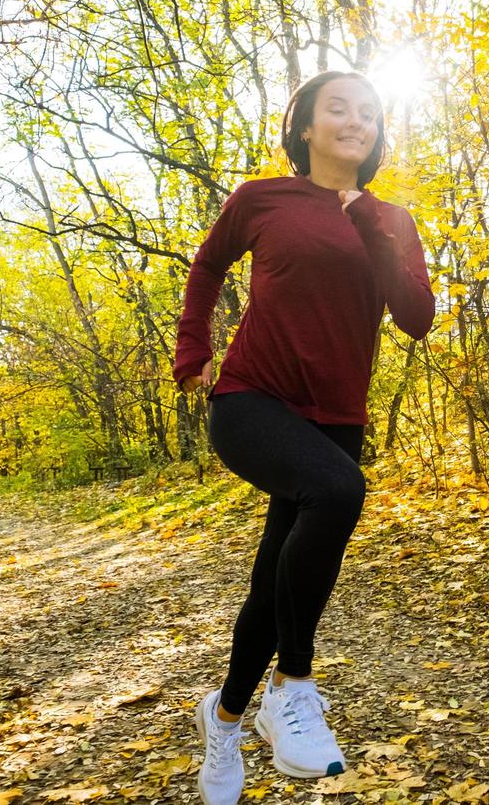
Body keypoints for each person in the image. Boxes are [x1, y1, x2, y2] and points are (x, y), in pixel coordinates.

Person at [173, 71, 435, 804]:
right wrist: (192, 349)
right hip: (251, 398)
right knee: (339, 490)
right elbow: (207, 264)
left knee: (273, 583)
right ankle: (294, 685)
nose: (356, 120)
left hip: (337, 416)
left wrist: (371, 227)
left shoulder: (393, 220)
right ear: (306, 127)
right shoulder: (262, 199)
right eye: (338, 109)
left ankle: (225, 721)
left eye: (370, 113)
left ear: (378, 134)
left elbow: (416, 316)